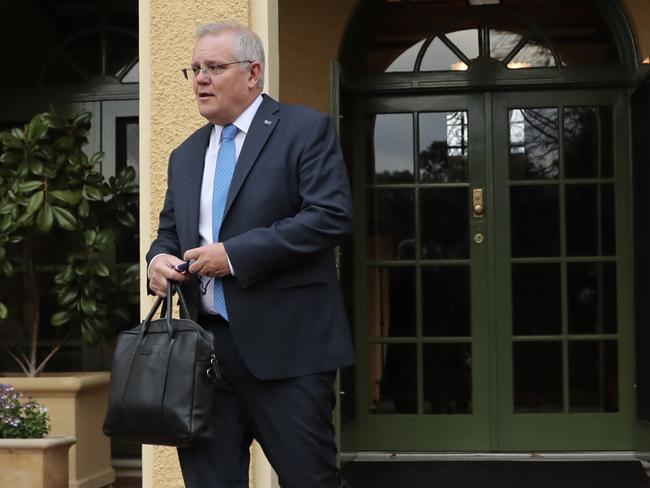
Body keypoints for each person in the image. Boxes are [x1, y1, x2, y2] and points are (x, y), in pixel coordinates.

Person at [146, 20, 354, 488]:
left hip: (290, 351)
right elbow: (168, 235)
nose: (200, 78)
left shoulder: (304, 129)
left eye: (214, 67)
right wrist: (157, 262)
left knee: (311, 480)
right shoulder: (184, 154)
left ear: (254, 73)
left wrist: (234, 256)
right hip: (202, 357)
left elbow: (331, 217)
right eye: (194, 69)